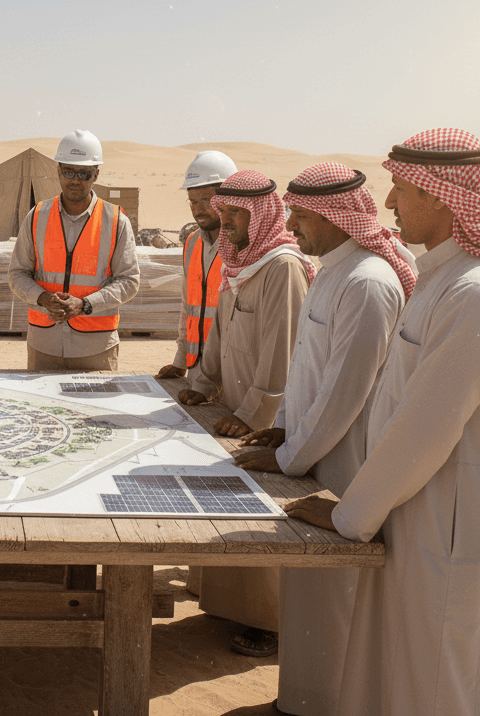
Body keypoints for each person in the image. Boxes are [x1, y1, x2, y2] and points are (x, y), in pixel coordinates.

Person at [286, 129, 480, 716]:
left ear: (442, 196)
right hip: (421, 514)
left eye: (402, 189)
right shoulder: (447, 277)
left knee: (436, 677)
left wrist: (347, 514)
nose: (388, 205)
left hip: (447, 525)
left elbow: (424, 430)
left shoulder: (478, 293)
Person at [232, 163, 416, 714]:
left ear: (339, 218)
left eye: (303, 214)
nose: (292, 223)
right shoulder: (334, 271)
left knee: (335, 595)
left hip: (346, 461)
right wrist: (285, 425)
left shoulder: (368, 283)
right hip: (313, 450)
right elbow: (306, 369)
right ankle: (299, 700)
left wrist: (288, 455)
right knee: (310, 591)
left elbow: (345, 394)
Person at [178, 169, 315, 657]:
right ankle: (226, 605)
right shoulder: (239, 262)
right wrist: (199, 383)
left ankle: (269, 624)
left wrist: (256, 415)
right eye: (225, 211)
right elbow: (218, 333)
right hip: (232, 408)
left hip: (266, 420)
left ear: (260, 214)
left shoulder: (281, 266)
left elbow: (282, 350)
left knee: (259, 515)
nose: (228, 220)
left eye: (237, 212)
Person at [8, 130, 140, 371]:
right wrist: (43, 298)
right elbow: (17, 274)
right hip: (43, 346)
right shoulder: (37, 217)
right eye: (68, 172)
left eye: (84, 174)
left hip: (96, 348)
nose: (75, 180)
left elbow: (129, 281)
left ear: (96, 174)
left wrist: (86, 304)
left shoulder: (115, 221)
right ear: (58, 171)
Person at [156, 150, 237, 385]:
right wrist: (181, 361)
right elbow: (188, 307)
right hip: (196, 370)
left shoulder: (244, 247)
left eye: (206, 201)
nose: (198, 209)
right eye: (193, 201)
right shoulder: (192, 242)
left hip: (229, 375)